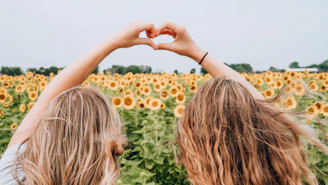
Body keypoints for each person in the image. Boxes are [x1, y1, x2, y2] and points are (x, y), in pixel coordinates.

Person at [154, 22, 328, 185]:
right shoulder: (278, 176)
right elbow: (266, 112)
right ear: (264, 135)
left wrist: (124, 43)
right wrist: (198, 53)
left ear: (195, 146)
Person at [0, 21, 159, 185]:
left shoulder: (11, 176)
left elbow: (46, 99)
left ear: (44, 136)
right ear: (108, 149)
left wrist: (113, 42)